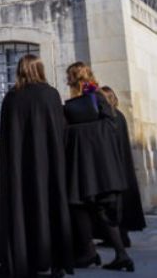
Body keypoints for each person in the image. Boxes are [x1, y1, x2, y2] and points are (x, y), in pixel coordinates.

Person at [0, 55, 73, 277]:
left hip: (19, 168)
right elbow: (59, 132)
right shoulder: (51, 95)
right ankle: (56, 263)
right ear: (40, 69)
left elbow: (6, 138)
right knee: (51, 206)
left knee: (21, 209)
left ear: (19, 71)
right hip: (48, 167)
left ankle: (21, 260)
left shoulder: (11, 98)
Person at [63, 63, 132, 272]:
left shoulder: (93, 97)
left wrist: (78, 130)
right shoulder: (95, 97)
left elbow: (107, 127)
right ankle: (118, 254)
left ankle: (92, 252)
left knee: (81, 206)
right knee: (96, 208)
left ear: (72, 78)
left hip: (89, 164)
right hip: (98, 165)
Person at [98, 86, 146, 246]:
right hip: (121, 165)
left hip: (114, 166)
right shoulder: (119, 115)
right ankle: (120, 237)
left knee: (114, 206)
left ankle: (118, 239)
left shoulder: (110, 117)